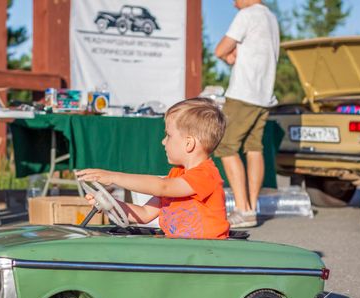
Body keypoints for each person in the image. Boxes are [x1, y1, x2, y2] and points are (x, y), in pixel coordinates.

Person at [75, 98, 230, 239]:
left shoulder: (206, 175)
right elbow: (144, 214)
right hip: (184, 254)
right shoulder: (176, 175)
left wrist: (113, 177)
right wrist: (111, 205)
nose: (163, 142)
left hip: (208, 255)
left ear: (189, 143)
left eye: (168, 135)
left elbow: (162, 187)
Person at [214, 0, 280, 228]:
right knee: (254, 147)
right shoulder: (270, 17)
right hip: (264, 95)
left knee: (225, 145)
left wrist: (227, 56)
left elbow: (220, 49)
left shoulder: (247, 14)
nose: (233, 4)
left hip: (243, 94)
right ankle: (251, 209)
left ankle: (242, 209)